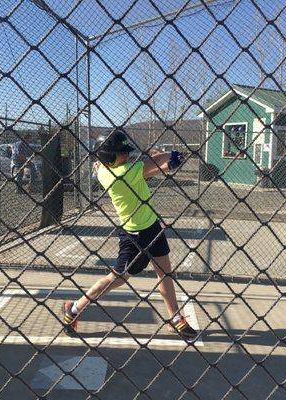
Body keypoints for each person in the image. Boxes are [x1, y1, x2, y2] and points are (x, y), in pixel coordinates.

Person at [61, 128, 198, 342]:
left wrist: (159, 157)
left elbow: (154, 162)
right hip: (134, 236)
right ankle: (74, 308)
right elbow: (165, 161)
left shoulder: (105, 168)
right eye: (121, 153)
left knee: (165, 272)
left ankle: (173, 318)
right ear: (109, 156)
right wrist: (171, 155)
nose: (126, 155)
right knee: (117, 278)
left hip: (152, 227)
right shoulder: (121, 173)